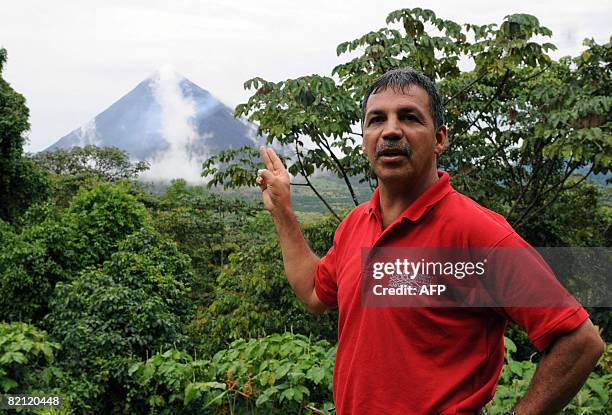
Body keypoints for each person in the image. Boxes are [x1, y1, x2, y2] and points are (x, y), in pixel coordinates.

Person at [255, 68, 605, 414]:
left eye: (409, 117)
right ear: (364, 141)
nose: (391, 130)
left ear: (439, 138)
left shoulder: (477, 233)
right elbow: (316, 294)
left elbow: (579, 342)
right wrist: (282, 211)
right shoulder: (355, 225)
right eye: (377, 120)